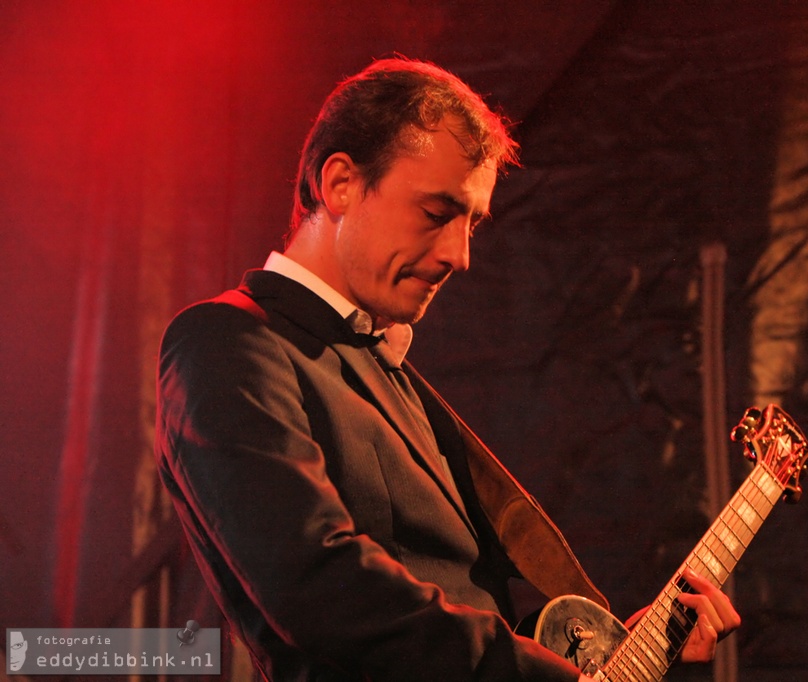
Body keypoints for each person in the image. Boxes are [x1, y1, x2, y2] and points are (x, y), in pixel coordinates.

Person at [155, 57, 739, 682]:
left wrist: (619, 658)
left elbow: (456, 604)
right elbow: (321, 587)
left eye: (472, 223)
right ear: (340, 184)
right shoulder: (228, 341)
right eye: (437, 214)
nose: (460, 256)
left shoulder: (386, 371)